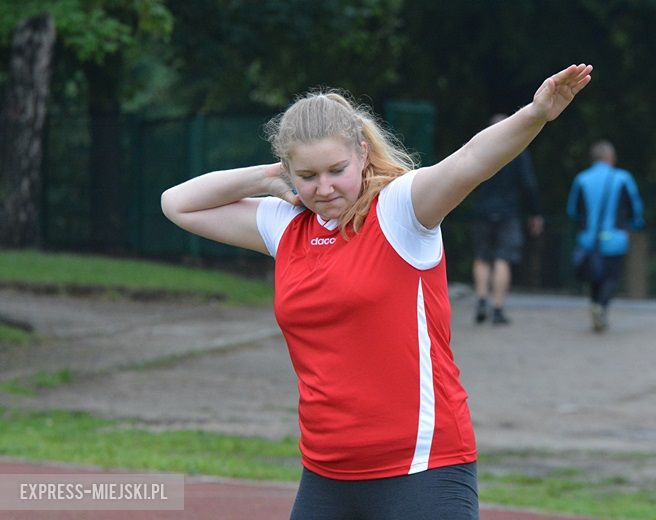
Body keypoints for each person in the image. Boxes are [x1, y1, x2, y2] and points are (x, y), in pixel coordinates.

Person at [161, 63, 592, 519]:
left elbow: (469, 160)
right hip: (326, 474)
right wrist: (266, 178)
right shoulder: (285, 225)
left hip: (422, 468)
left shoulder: (401, 209)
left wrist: (534, 114)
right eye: (307, 175)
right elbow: (178, 204)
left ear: (363, 153)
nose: (324, 188)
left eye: (337, 170)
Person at [471, 114, 544, 325]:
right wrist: (535, 213)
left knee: (482, 257)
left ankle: (481, 300)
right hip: (508, 213)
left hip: (482, 211)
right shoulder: (518, 151)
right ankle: (497, 308)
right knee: (502, 258)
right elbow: (528, 184)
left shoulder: (479, 149)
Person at [566, 139, 644, 332]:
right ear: (611, 158)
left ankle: (595, 305)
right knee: (612, 277)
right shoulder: (623, 178)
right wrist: (634, 226)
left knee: (594, 277)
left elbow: (573, 211)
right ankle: (602, 306)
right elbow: (635, 209)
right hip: (615, 239)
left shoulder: (582, 179)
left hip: (588, 239)